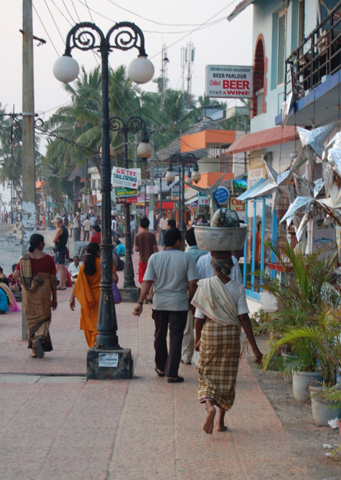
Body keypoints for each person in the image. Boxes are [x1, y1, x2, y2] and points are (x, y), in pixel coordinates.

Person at [192, 253, 262, 435]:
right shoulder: (238, 288)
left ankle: (210, 408)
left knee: (206, 374)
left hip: (211, 333)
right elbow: (243, 318)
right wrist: (255, 347)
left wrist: (197, 339)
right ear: (230, 268)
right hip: (231, 336)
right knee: (226, 377)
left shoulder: (205, 286)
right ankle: (220, 423)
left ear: (214, 268)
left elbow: (198, 318)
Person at [133, 228, 198, 383]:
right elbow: (192, 283)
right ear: (177, 242)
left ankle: (161, 367)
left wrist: (140, 302)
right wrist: (191, 301)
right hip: (179, 304)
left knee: (159, 335)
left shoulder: (155, 258)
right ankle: (171, 372)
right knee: (176, 338)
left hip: (160, 303)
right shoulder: (186, 258)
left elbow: (147, 281)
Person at [13, 233, 57, 358]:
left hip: (29, 295)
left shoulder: (24, 259)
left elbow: (16, 275)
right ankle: (39, 337)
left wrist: (29, 282)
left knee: (31, 322)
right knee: (45, 318)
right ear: (41, 244)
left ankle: (33, 350)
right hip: (43, 294)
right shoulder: (48, 259)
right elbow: (53, 280)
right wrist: (55, 298)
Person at [69, 242, 118, 348]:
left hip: (87, 298)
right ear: (98, 252)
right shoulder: (104, 263)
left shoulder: (83, 266)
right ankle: (95, 346)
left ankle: (92, 347)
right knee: (100, 324)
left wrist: (72, 298)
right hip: (102, 298)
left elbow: (78, 284)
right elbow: (115, 279)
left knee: (89, 325)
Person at [181, 228, 208, 365]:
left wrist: (191, 300)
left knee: (187, 327)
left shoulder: (186, 254)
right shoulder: (206, 253)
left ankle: (186, 356)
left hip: (189, 293)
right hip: (204, 293)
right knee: (202, 326)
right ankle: (200, 357)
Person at [134, 216, 158, 301]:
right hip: (151, 260)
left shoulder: (138, 236)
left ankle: (144, 296)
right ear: (148, 225)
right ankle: (149, 295)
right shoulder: (152, 235)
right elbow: (155, 248)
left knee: (142, 279)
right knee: (152, 278)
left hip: (142, 260)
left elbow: (136, 249)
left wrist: (141, 247)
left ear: (140, 225)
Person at [52, 215, 69, 290]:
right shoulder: (65, 228)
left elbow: (54, 240)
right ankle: (63, 283)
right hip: (63, 248)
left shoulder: (60, 229)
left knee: (60, 266)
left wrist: (57, 240)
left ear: (58, 222)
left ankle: (62, 284)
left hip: (59, 248)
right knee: (62, 267)